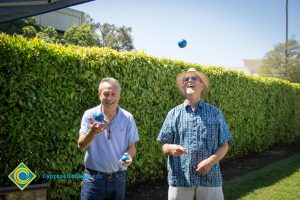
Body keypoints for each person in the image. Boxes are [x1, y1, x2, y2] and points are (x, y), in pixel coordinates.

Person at [157, 68, 233, 200]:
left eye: (194, 78)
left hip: (210, 178)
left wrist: (210, 161)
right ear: (183, 86)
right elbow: (164, 145)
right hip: (180, 179)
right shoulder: (173, 113)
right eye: (186, 79)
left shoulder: (215, 113)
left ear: (202, 85)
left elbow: (224, 145)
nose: (189, 81)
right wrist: (170, 148)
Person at [78, 77, 139, 200]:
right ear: (99, 95)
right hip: (93, 179)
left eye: (113, 94)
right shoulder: (89, 115)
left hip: (119, 178)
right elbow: (81, 146)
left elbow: (132, 147)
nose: (110, 98)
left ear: (119, 96)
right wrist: (92, 133)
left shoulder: (127, 117)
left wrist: (128, 156)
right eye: (106, 94)